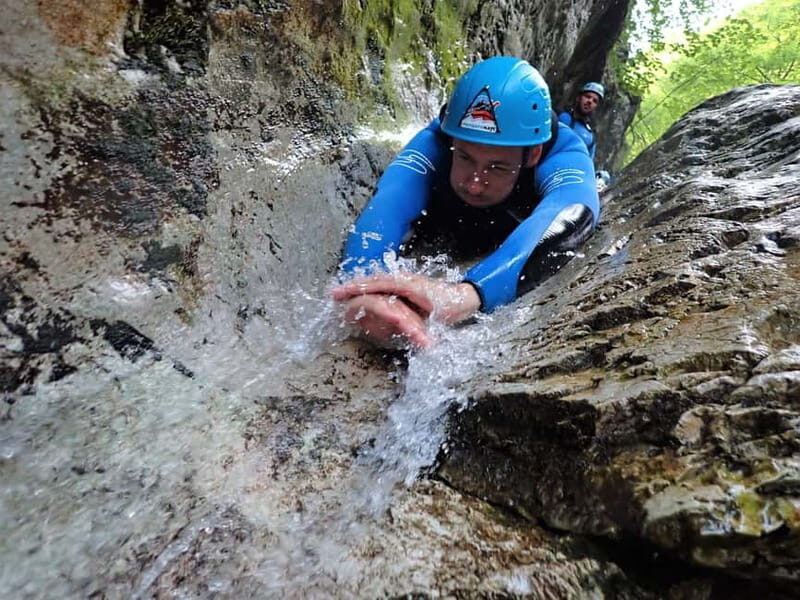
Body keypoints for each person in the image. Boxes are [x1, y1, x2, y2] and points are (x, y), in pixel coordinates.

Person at [330, 56, 600, 348]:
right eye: (465, 157)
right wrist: (365, 288)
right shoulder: (437, 139)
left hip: (504, 240)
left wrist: (467, 294)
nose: (474, 182)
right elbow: (391, 200)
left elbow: (574, 210)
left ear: (532, 155)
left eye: (497, 167)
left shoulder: (562, 151)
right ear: (452, 141)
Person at [558, 81, 604, 161]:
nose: (590, 101)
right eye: (587, 96)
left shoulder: (590, 136)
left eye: (594, 101)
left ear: (596, 107)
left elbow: (588, 163)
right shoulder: (562, 118)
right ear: (579, 98)